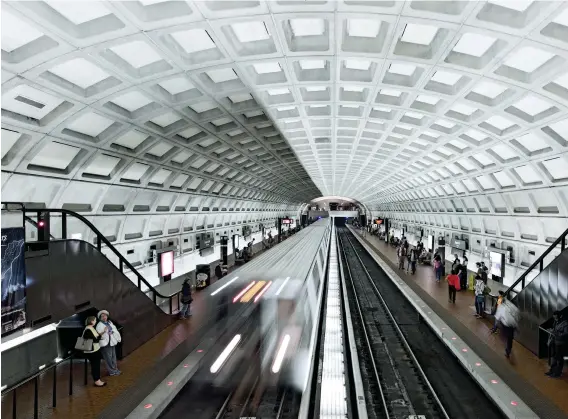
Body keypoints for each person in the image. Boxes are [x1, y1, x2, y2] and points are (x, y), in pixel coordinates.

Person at [95, 310, 121, 376]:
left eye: (105, 316)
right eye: (102, 316)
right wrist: (104, 331)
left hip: (112, 342)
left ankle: (115, 369)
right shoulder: (99, 325)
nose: (104, 317)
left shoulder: (109, 322)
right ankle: (112, 371)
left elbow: (114, 329)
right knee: (108, 358)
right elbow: (98, 335)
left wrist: (112, 332)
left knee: (113, 357)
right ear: (100, 318)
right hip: (105, 344)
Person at [82, 316, 106, 387]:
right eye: (95, 320)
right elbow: (94, 340)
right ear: (91, 321)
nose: (96, 321)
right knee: (95, 366)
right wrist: (99, 337)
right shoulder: (88, 330)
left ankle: (98, 380)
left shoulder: (91, 328)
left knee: (96, 365)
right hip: (92, 352)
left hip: (95, 350)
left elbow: (96, 337)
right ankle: (97, 381)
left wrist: (102, 333)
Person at [546, 311, 567, 378]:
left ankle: (557, 373)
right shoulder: (556, 322)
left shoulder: (565, 324)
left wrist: (556, 333)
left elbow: (566, 333)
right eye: (554, 317)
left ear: (559, 316)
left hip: (561, 343)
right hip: (555, 342)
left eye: (556, 317)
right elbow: (555, 330)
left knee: (559, 359)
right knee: (555, 357)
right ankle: (552, 371)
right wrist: (552, 331)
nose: (555, 318)